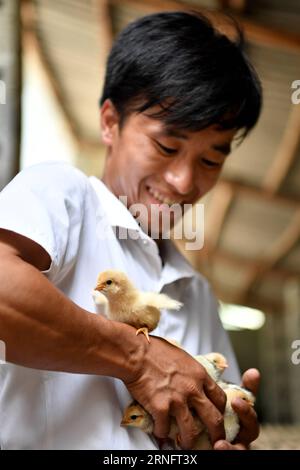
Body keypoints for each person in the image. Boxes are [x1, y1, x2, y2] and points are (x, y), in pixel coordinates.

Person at [0, 11, 262, 450]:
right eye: (167, 146)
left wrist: (227, 431)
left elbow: (211, 423)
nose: (184, 181)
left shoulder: (195, 294)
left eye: (210, 160)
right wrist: (139, 359)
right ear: (109, 122)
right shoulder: (63, 198)